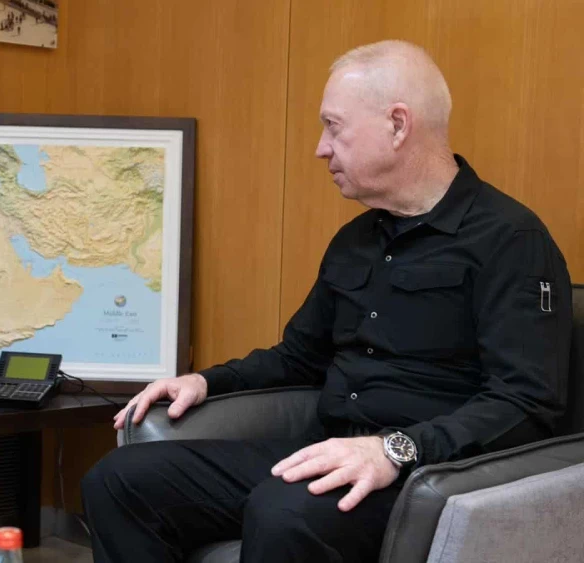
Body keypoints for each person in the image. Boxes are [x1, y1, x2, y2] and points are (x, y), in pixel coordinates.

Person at [81, 40, 571, 563]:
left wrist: (395, 450)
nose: (321, 148)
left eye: (334, 127)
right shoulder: (355, 240)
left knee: (284, 511)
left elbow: (526, 402)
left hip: (426, 474)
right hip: (329, 449)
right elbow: (299, 357)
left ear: (398, 125)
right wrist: (206, 381)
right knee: (118, 481)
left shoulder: (510, 240)